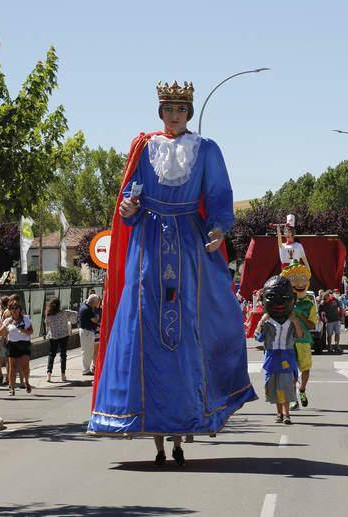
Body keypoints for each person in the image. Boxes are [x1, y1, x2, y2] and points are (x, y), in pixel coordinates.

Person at [89, 80, 257, 467]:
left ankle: (197, 409)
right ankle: (140, 414)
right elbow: (131, 195)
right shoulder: (144, 147)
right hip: (148, 242)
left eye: (181, 109)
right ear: (160, 113)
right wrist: (130, 206)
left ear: (189, 113)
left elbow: (218, 195)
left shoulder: (207, 149)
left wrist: (217, 229)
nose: (174, 115)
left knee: (201, 319)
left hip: (187, 242)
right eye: (169, 109)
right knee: (140, 321)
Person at [256, 276, 302, 425]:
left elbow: (300, 335)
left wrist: (294, 321)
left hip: (287, 356)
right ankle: (278, 413)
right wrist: (261, 321)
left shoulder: (290, 321)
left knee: (286, 385)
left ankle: (287, 414)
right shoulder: (268, 322)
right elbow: (258, 338)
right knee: (274, 386)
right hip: (272, 357)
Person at [281, 261, 317, 409]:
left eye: (302, 279)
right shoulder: (285, 302)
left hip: (303, 340)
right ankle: (294, 398)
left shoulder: (309, 303)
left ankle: (302, 389)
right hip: (289, 341)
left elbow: (312, 325)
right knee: (291, 370)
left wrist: (300, 316)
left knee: (305, 369)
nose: (298, 283)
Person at [0, 300, 33, 396]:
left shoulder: (26, 318)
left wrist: (23, 330)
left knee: (25, 366)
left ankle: (26, 381)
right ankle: (11, 387)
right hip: (12, 344)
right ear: (9, 310)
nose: (14, 310)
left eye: (16, 308)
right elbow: (0, 333)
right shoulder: (7, 320)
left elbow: (31, 332)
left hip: (24, 344)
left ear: (19, 309)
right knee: (12, 367)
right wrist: (6, 324)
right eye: (12, 308)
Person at [44, 297, 76, 382]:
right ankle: (63, 374)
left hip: (53, 336)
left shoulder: (48, 314)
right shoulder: (64, 313)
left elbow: (47, 324)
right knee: (63, 354)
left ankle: (49, 373)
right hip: (64, 335)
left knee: (51, 354)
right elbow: (75, 314)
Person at [77, 295, 100, 376]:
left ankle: (86, 369)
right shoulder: (88, 309)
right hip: (87, 332)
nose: (97, 304)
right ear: (93, 302)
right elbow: (95, 320)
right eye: (96, 302)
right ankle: (86, 370)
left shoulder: (84, 307)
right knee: (88, 351)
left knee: (86, 351)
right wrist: (97, 316)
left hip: (85, 331)